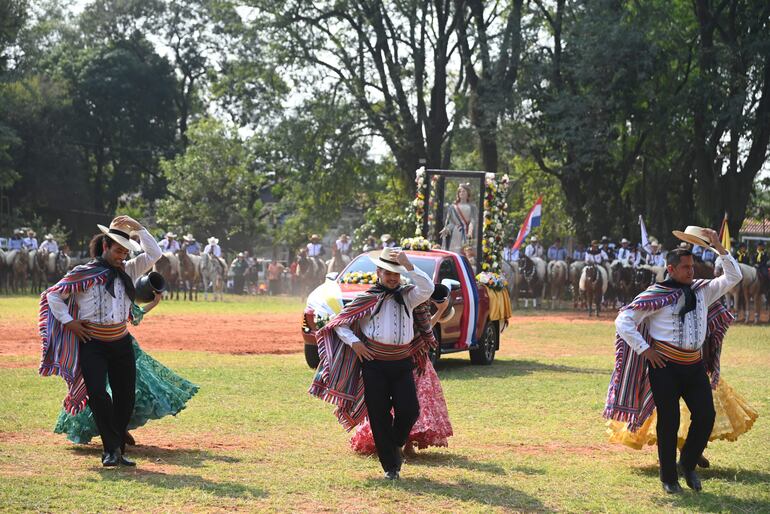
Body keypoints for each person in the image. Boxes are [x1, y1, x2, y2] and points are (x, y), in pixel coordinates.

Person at [605, 228, 741, 494]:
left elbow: (733, 276)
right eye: (686, 267)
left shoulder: (703, 291)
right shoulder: (657, 294)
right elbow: (623, 320)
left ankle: (687, 463)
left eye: (692, 266)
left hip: (694, 366)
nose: (691, 271)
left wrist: (717, 247)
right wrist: (645, 350)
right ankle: (669, 479)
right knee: (669, 422)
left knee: (706, 415)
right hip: (664, 367)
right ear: (671, 268)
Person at [40, 215, 163, 467]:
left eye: (125, 252)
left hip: (121, 344)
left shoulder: (129, 269)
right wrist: (69, 322)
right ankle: (110, 449)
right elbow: (53, 296)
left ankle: (116, 448)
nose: (122, 256)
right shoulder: (83, 273)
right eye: (118, 250)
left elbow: (155, 254)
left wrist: (138, 228)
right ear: (105, 247)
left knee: (125, 397)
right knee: (97, 394)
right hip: (93, 344)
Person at [309, 247, 435, 480]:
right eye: (388, 273)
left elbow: (428, 288)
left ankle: (395, 442)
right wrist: (355, 343)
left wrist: (409, 265)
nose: (392, 277)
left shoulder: (409, 296)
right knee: (379, 416)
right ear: (378, 272)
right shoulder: (366, 298)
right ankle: (391, 467)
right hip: (374, 364)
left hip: (402, 362)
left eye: (396, 274)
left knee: (409, 410)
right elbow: (340, 323)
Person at [54, 292, 198, 446]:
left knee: (131, 392)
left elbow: (135, 314)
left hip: (124, 347)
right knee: (101, 391)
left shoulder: (120, 291)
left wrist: (154, 302)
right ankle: (114, 432)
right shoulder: (95, 293)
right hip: (98, 345)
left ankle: (119, 428)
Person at [350, 286, 453, 458]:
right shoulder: (411, 303)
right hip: (405, 358)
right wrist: (441, 310)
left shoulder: (413, 303)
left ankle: (405, 441)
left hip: (415, 358)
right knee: (405, 401)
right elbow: (425, 329)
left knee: (413, 402)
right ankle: (398, 441)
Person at [440, 183, 477, 254]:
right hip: (456, 234)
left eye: (463, 191)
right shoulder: (452, 207)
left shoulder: (472, 207)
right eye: (460, 191)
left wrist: (470, 231)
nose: (461, 193)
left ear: (468, 193)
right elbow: (450, 223)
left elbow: (473, 221)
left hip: (467, 234)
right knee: (455, 253)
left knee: (466, 253)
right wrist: (447, 229)